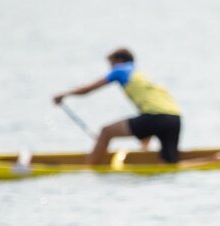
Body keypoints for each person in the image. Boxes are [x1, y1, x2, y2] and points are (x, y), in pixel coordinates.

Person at [53, 48, 182, 165]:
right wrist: (144, 146)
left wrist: (64, 95)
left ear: (120, 61)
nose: (110, 69)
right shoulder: (141, 76)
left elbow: (89, 88)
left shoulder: (121, 70)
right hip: (175, 118)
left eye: (111, 65)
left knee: (106, 132)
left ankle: (89, 169)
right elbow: (150, 120)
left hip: (156, 117)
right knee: (167, 163)